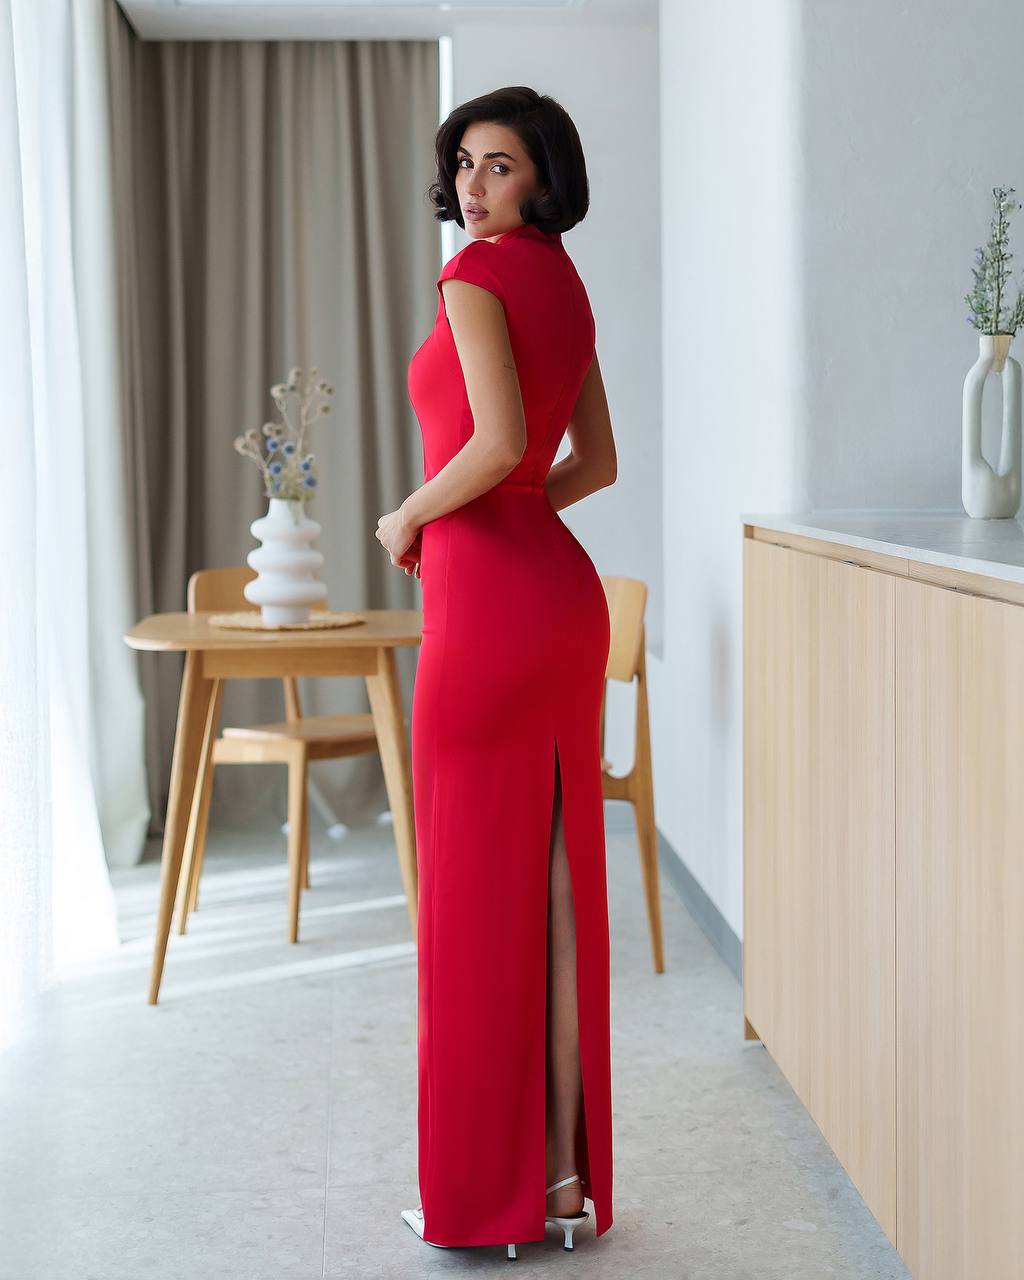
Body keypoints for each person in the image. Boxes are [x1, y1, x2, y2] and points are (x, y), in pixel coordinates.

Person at [375, 84, 617, 1259]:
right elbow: (593, 462)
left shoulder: (472, 280)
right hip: (559, 602)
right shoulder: (567, 286)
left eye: (501, 166)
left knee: (474, 897)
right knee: (561, 890)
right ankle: (562, 1180)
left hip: (482, 617)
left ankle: (482, 1196)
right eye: (466, 164)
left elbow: (502, 443)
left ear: (544, 175)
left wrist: (411, 518)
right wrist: (512, 514)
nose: (474, 186)